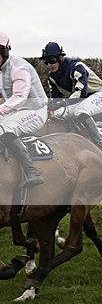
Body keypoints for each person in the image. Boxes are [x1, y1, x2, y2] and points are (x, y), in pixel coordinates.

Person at [0, 31, 48, 187]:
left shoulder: (19, 67)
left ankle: (31, 172)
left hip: (35, 111)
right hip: (15, 111)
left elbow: (19, 97)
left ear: (5, 51)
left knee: (4, 128)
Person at [42, 42, 102, 150]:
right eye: (46, 62)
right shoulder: (51, 76)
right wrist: (50, 107)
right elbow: (56, 98)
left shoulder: (77, 67)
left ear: (60, 58)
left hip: (98, 94)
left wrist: (61, 103)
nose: (49, 65)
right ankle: (76, 138)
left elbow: (81, 93)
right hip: (79, 100)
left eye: (52, 61)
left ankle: (101, 148)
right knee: (57, 113)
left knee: (81, 112)